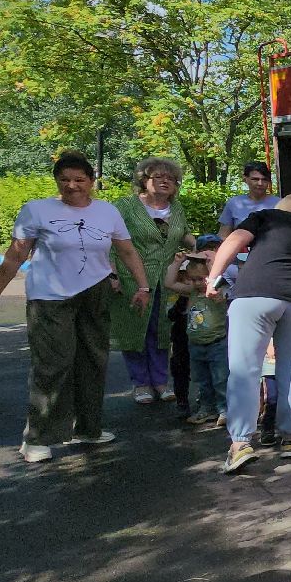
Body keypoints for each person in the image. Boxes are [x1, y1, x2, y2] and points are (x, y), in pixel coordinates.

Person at [0, 151, 150, 464]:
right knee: (52, 364)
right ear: (56, 181)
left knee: (93, 361)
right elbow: (15, 256)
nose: (72, 186)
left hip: (95, 293)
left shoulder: (107, 211)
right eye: (64, 180)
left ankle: (89, 428)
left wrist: (143, 287)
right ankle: (36, 438)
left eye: (79, 180)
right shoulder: (37, 210)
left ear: (92, 181)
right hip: (50, 297)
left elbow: (127, 251)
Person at [202, 193, 291, 474]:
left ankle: (240, 443)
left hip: (256, 294)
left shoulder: (267, 217)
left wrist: (214, 278)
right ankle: (290, 438)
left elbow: (235, 240)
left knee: (245, 369)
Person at [110, 157, 190, 404]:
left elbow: (184, 235)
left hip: (166, 279)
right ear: (144, 180)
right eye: (158, 177)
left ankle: (161, 382)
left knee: (162, 330)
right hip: (131, 277)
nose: (165, 181)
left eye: (171, 178)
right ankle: (140, 383)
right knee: (135, 330)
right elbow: (109, 241)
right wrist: (112, 274)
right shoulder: (125, 206)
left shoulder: (177, 209)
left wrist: (208, 249)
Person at [167, 246, 229, 427]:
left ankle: (224, 409)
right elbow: (169, 283)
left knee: (220, 379)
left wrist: (211, 268)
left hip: (216, 343)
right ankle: (207, 408)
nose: (197, 283)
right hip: (195, 344)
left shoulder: (216, 292)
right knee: (202, 380)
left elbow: (216, 285)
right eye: (192, 279)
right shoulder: (192, 292)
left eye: (201, 279)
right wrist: (177, 263)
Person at [218, 161, 280, 237]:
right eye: (255, 179)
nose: (260, 183)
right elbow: (223, 235)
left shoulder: (280, 204)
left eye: (264, 179)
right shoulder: (234, 203)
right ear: (245, 179)